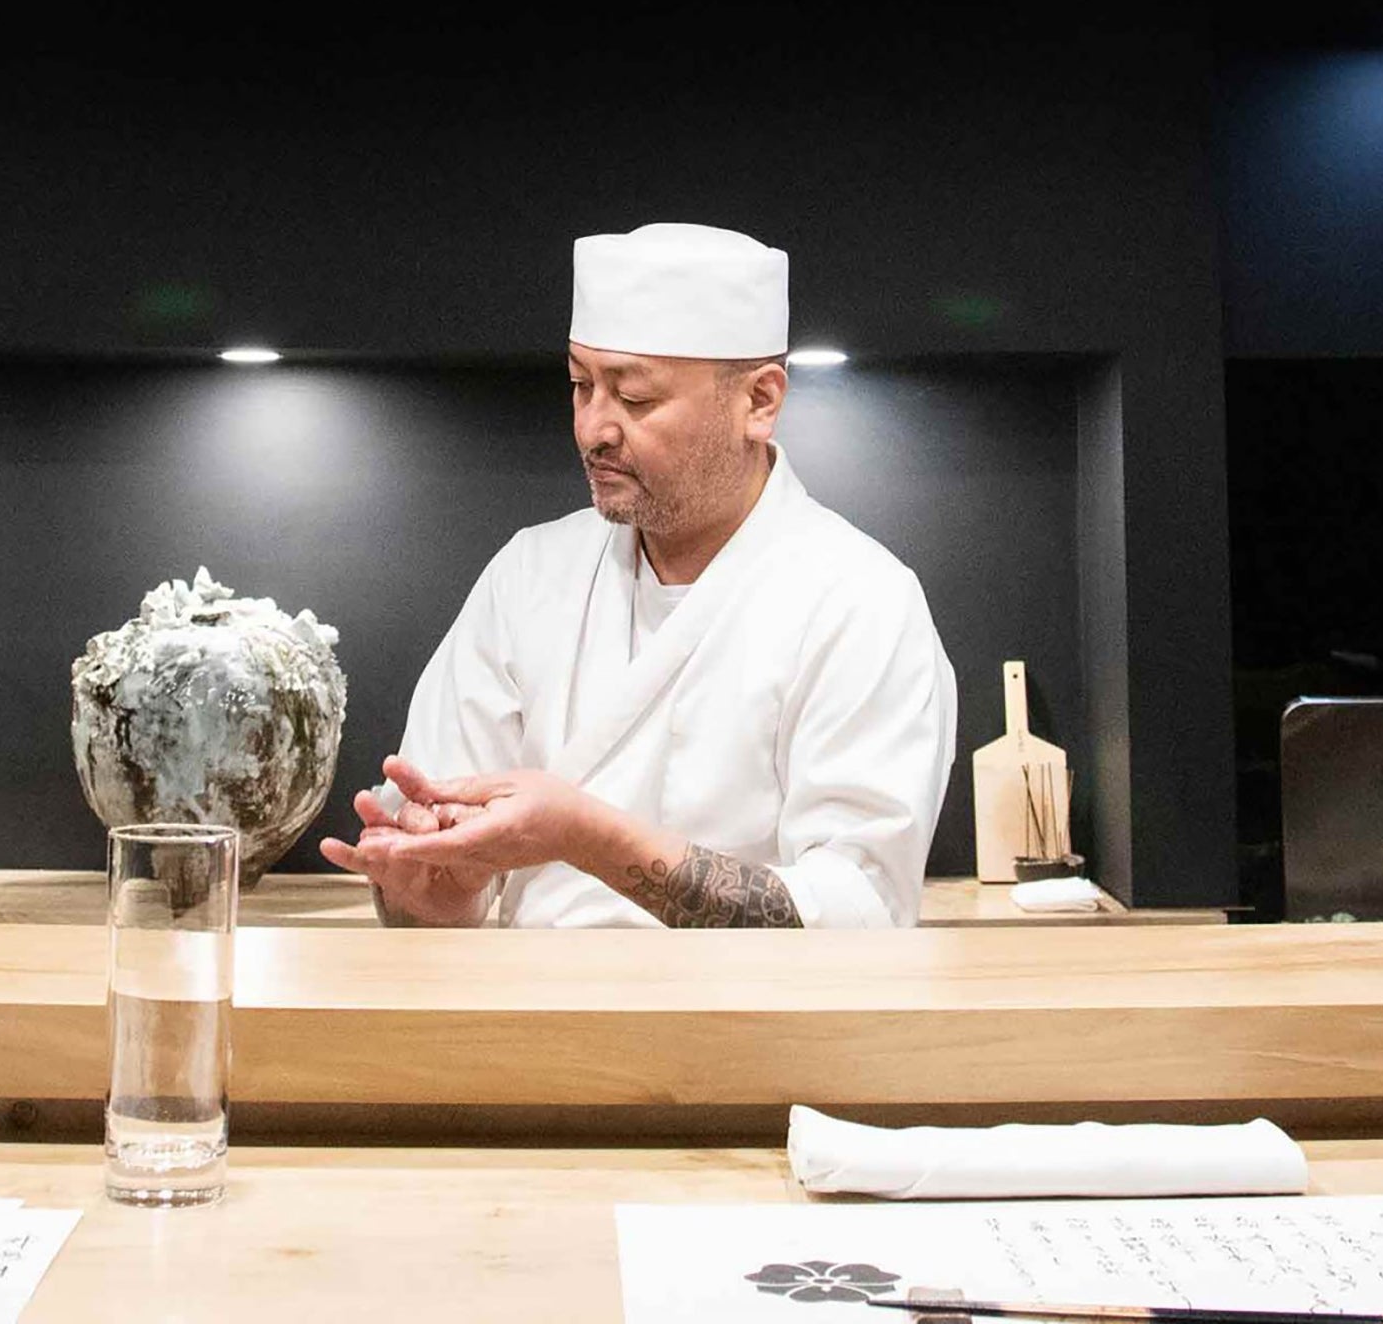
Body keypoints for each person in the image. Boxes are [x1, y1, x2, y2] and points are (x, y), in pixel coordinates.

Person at [320, 222, 956, 928]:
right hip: (530, 1025)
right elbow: (435, 883)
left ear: (760, 402)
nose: (594, 428)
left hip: (759, 1033)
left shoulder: (858, 598)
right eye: (580, 384)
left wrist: (584, 835)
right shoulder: (530, 576)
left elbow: (860, 913)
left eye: (636, 398)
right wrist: (432, 890)